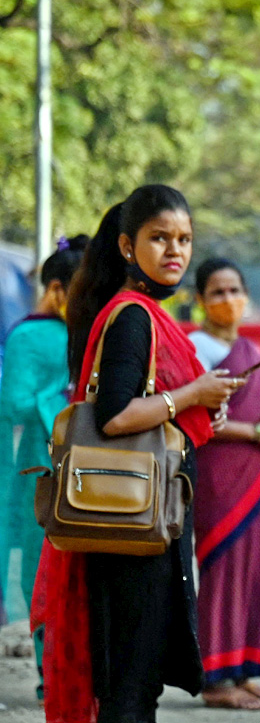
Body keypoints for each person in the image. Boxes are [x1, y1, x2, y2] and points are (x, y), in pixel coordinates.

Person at [34, 184, 243, 723]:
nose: (175, 250)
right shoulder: (132, 316)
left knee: (135, 682)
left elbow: (154, 407)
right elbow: (116, 415)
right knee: (130, 686)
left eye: (184, 239)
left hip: (140, 526)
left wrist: (199, 407)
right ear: (128, 247)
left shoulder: (141, 311)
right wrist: (191, 396)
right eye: (160, 238)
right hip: (129, 530)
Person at [188, 258, 260, 710]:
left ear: (246, 296)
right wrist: (257, 431)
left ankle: (245, 668)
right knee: (224, 571)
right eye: (217, 292)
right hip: (220, 479)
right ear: (200, 301)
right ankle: (216, 681)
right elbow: (197, 418)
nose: (228, 300)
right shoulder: (196, 348)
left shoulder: (250, 349)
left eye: (235, 290)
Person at [0, 234, 89, 702]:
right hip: (41, 467)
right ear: (56, 289)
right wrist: (62, 394)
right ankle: (48, 672)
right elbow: (12, 403)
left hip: (92, 463)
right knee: (43, 573)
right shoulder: (31, 335)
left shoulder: (98, 329)